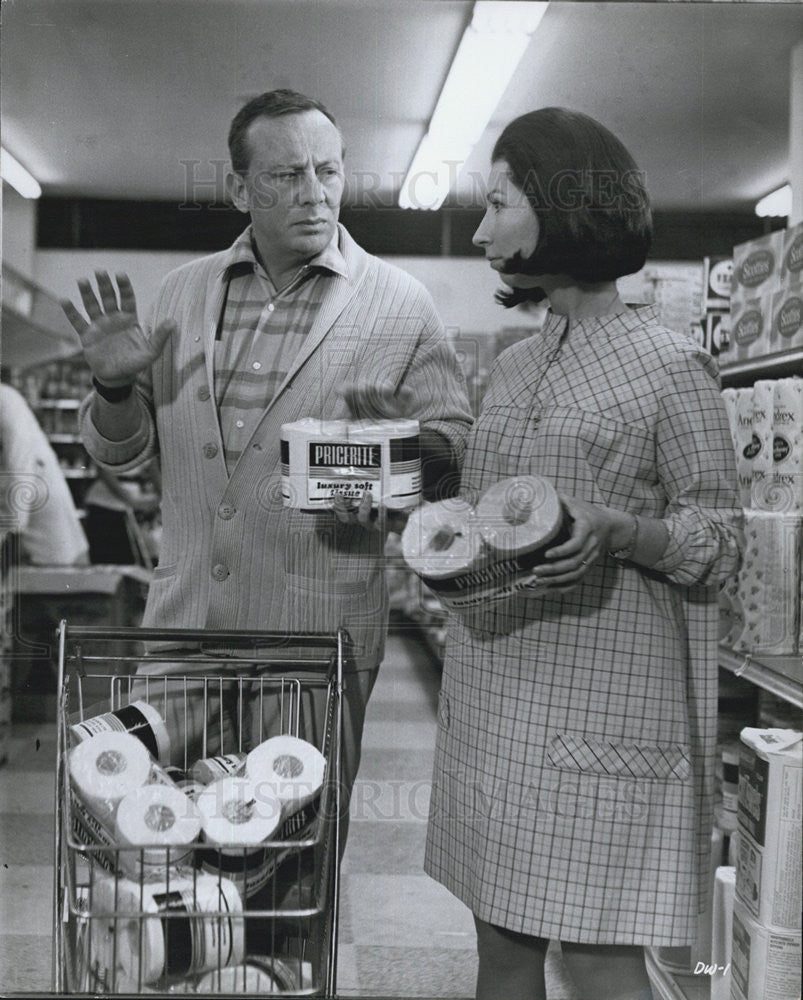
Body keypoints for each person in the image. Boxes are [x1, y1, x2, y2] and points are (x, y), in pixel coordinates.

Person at [61, 89, 472, 840]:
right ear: (237, 188)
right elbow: (118, 448)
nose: (314, 194)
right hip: (184, 636)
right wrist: (114, 386)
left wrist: (404, 459)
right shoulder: (179, 294)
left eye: (328, 170)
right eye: (285, 175)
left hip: (313, 644)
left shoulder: (401, 303)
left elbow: (453, 462)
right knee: (164, 848)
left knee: (291, 862)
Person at [423, 108, 743, 1000]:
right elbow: (496, 516)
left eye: (497, 204)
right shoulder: (517, 365)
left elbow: (720, 541)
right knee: (501, 950)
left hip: (602, 711)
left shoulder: (671, 364)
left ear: (566, 207)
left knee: (600, 961)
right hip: (490, 696)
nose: (481, 230)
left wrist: (619, 530)